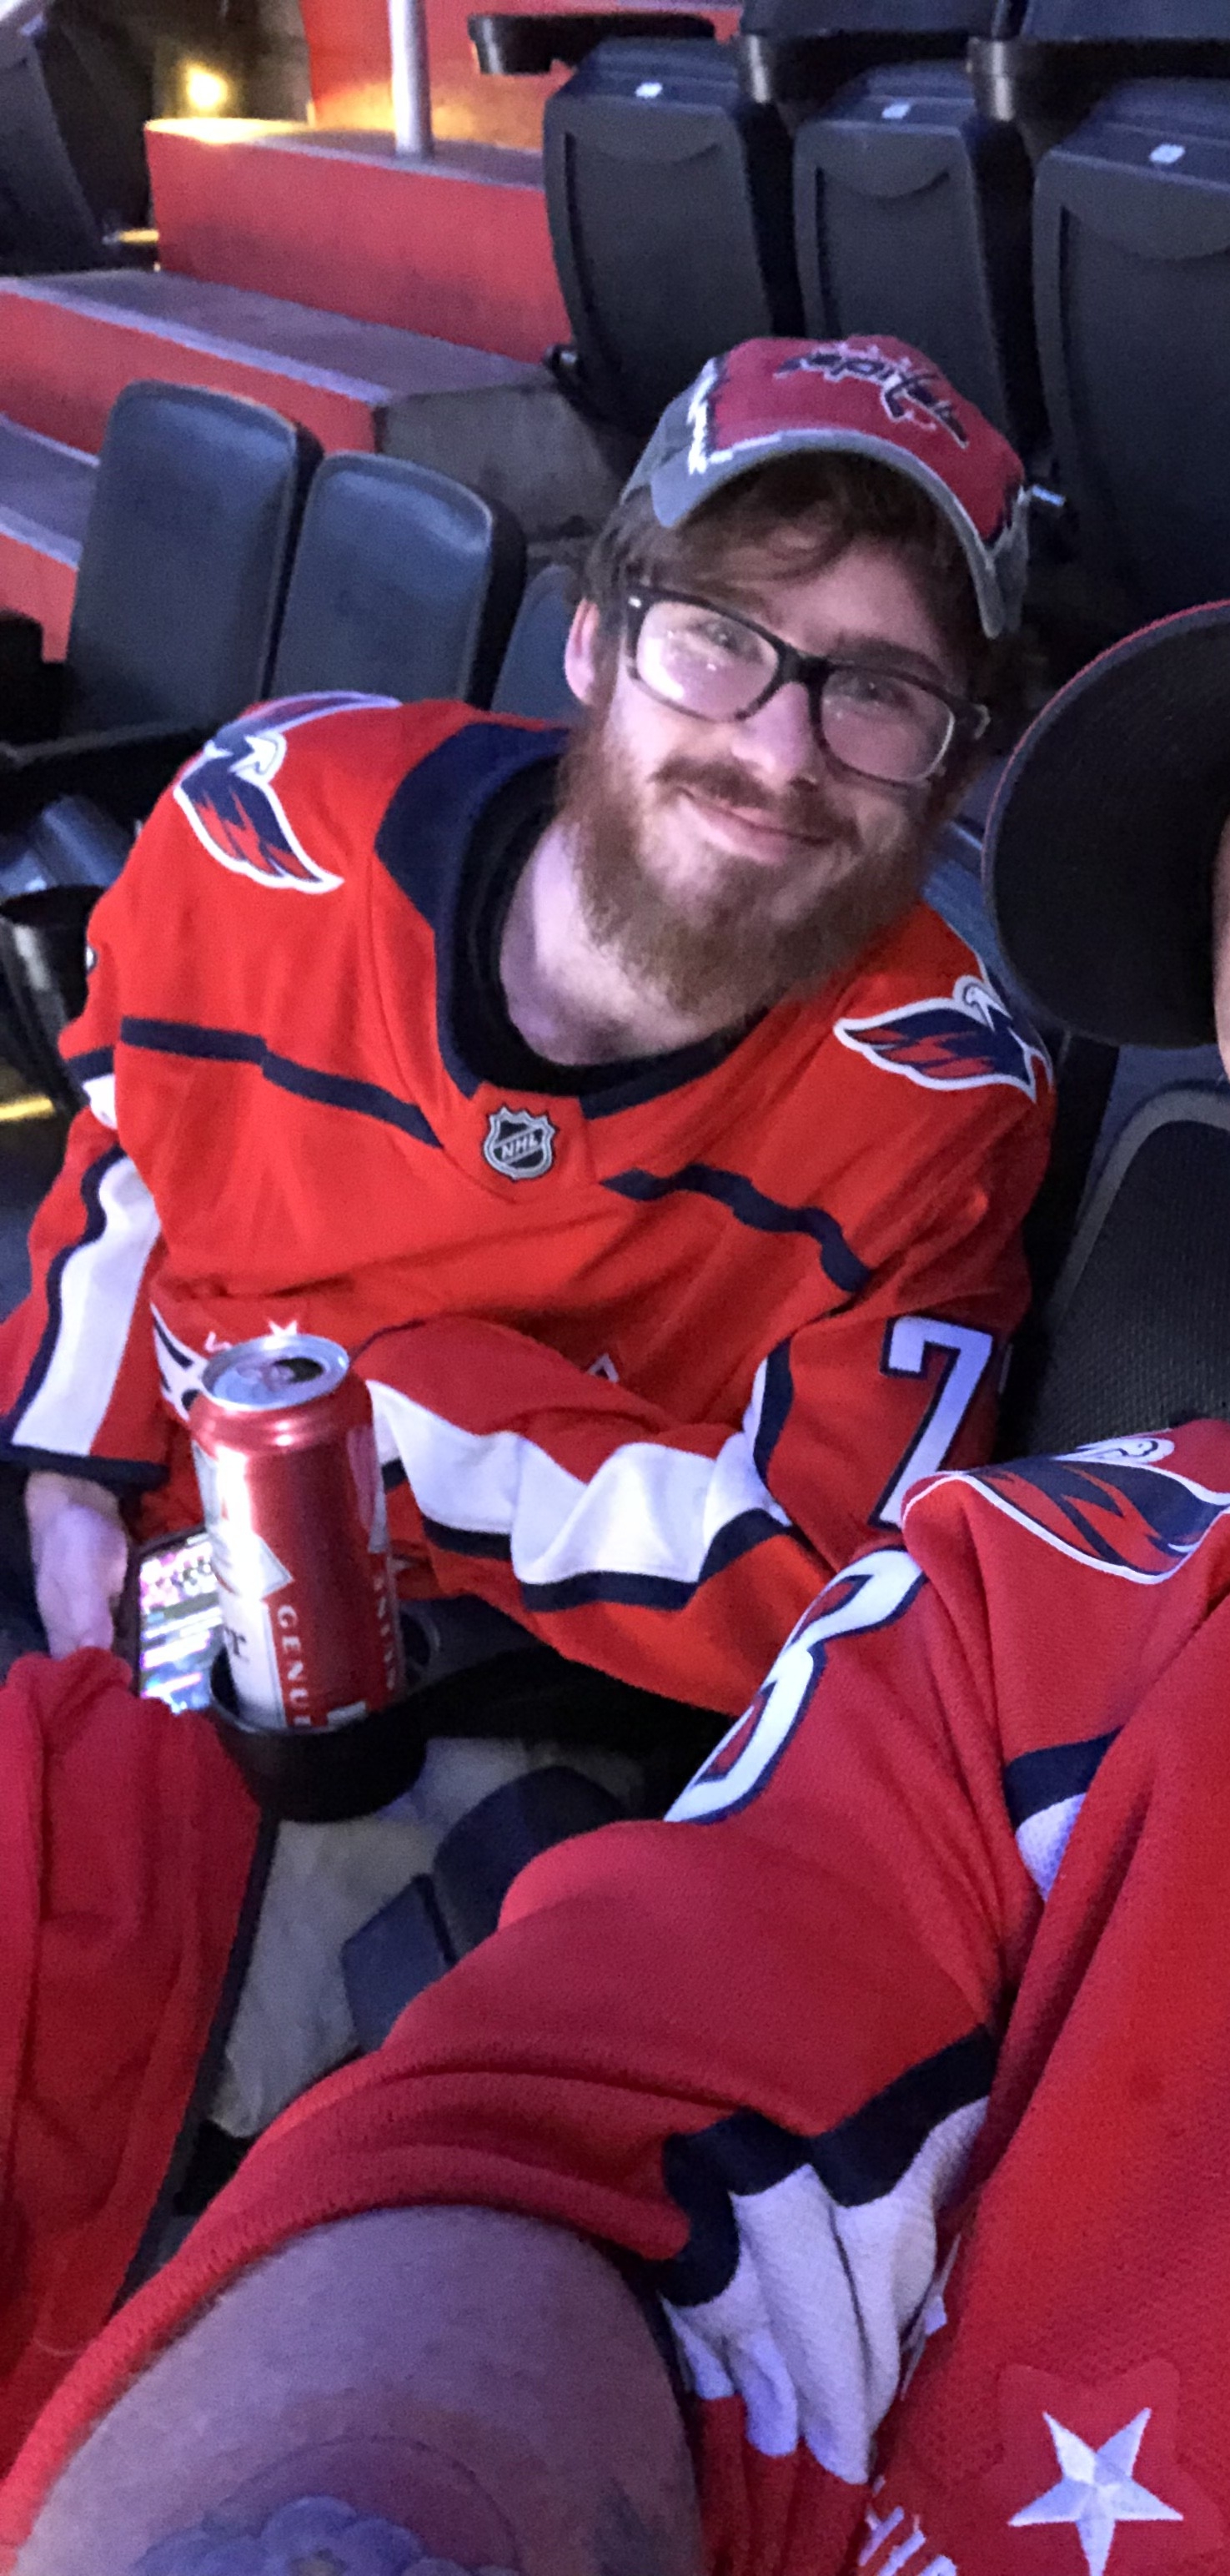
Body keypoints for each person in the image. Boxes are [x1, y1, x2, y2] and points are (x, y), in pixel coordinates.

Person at [18, 488, 1230, 2576]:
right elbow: (541, 2145)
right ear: (595, 638)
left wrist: (404, 1408)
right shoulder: (1062, 1618)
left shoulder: (922, 1085)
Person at [0, 330, 1050, 1723]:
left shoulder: (937, 1092)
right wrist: (71, 1477)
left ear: (954, 772)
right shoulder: (265, 823)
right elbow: (131, 1147)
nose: (778, 752)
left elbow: (830, 1593)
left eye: (879, 692)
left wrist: (376, 1421)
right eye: (717, 638)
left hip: (494, 1696)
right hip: (125, 1551)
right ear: (594, 642)